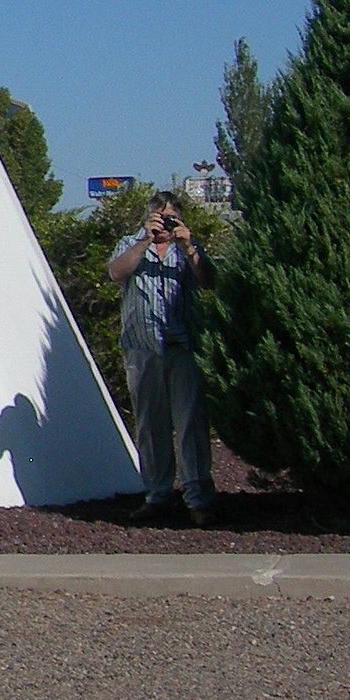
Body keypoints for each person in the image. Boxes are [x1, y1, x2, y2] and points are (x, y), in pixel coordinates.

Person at [106, 190, 217, 524]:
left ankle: (198, 499)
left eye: (171, 217)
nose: (166, 223)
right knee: (150, 426)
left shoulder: (188, 250)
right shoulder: (131, 243)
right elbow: (116, 272)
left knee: (190, 424)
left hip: (181, 346)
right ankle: (157, 496)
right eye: (161, 217)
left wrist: (188, 246)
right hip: (142, 348)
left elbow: (209, 280)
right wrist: (145, 240)